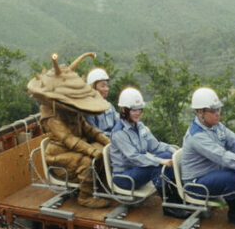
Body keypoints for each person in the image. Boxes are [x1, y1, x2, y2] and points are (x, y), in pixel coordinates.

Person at [27, 52, 113, 209]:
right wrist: (90, 150)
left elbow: (87, 129)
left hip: (75, 149)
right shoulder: (51, 115)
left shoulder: (73, 110)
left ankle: (100, 186)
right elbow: (68, 138)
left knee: (102, 150)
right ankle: (85, 197)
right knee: (87, 161)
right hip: (59, 155)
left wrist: (106, 141)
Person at [179, 87, 235, 226]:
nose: (218, 114)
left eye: (218, 109)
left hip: (212, 174)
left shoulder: (216, 126)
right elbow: (222, 157)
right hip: (196, 183)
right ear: (200, 112)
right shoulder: (197, 136)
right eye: (213, 111)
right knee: (231, 178)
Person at [108, 88, 189, 218]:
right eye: (134, 110)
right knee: (157, 164)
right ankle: (170, 206)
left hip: (138, 171)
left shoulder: (140, 127)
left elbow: (155, 146)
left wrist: (174, 150)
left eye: (140, 109)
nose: (138, 113)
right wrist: (159, 161)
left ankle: (176, 200)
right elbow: (134, 157)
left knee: (166, 156)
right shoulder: (119, 132)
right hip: (125, 178)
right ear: (124, 109)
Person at [84, 68, 119, 137]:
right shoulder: (89, 108)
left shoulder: (109, 106)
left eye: (107, 86)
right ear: (92, 87)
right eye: (103, 86)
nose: (106, 89)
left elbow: (119, 122)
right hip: (100, 141)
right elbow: (93, 132)